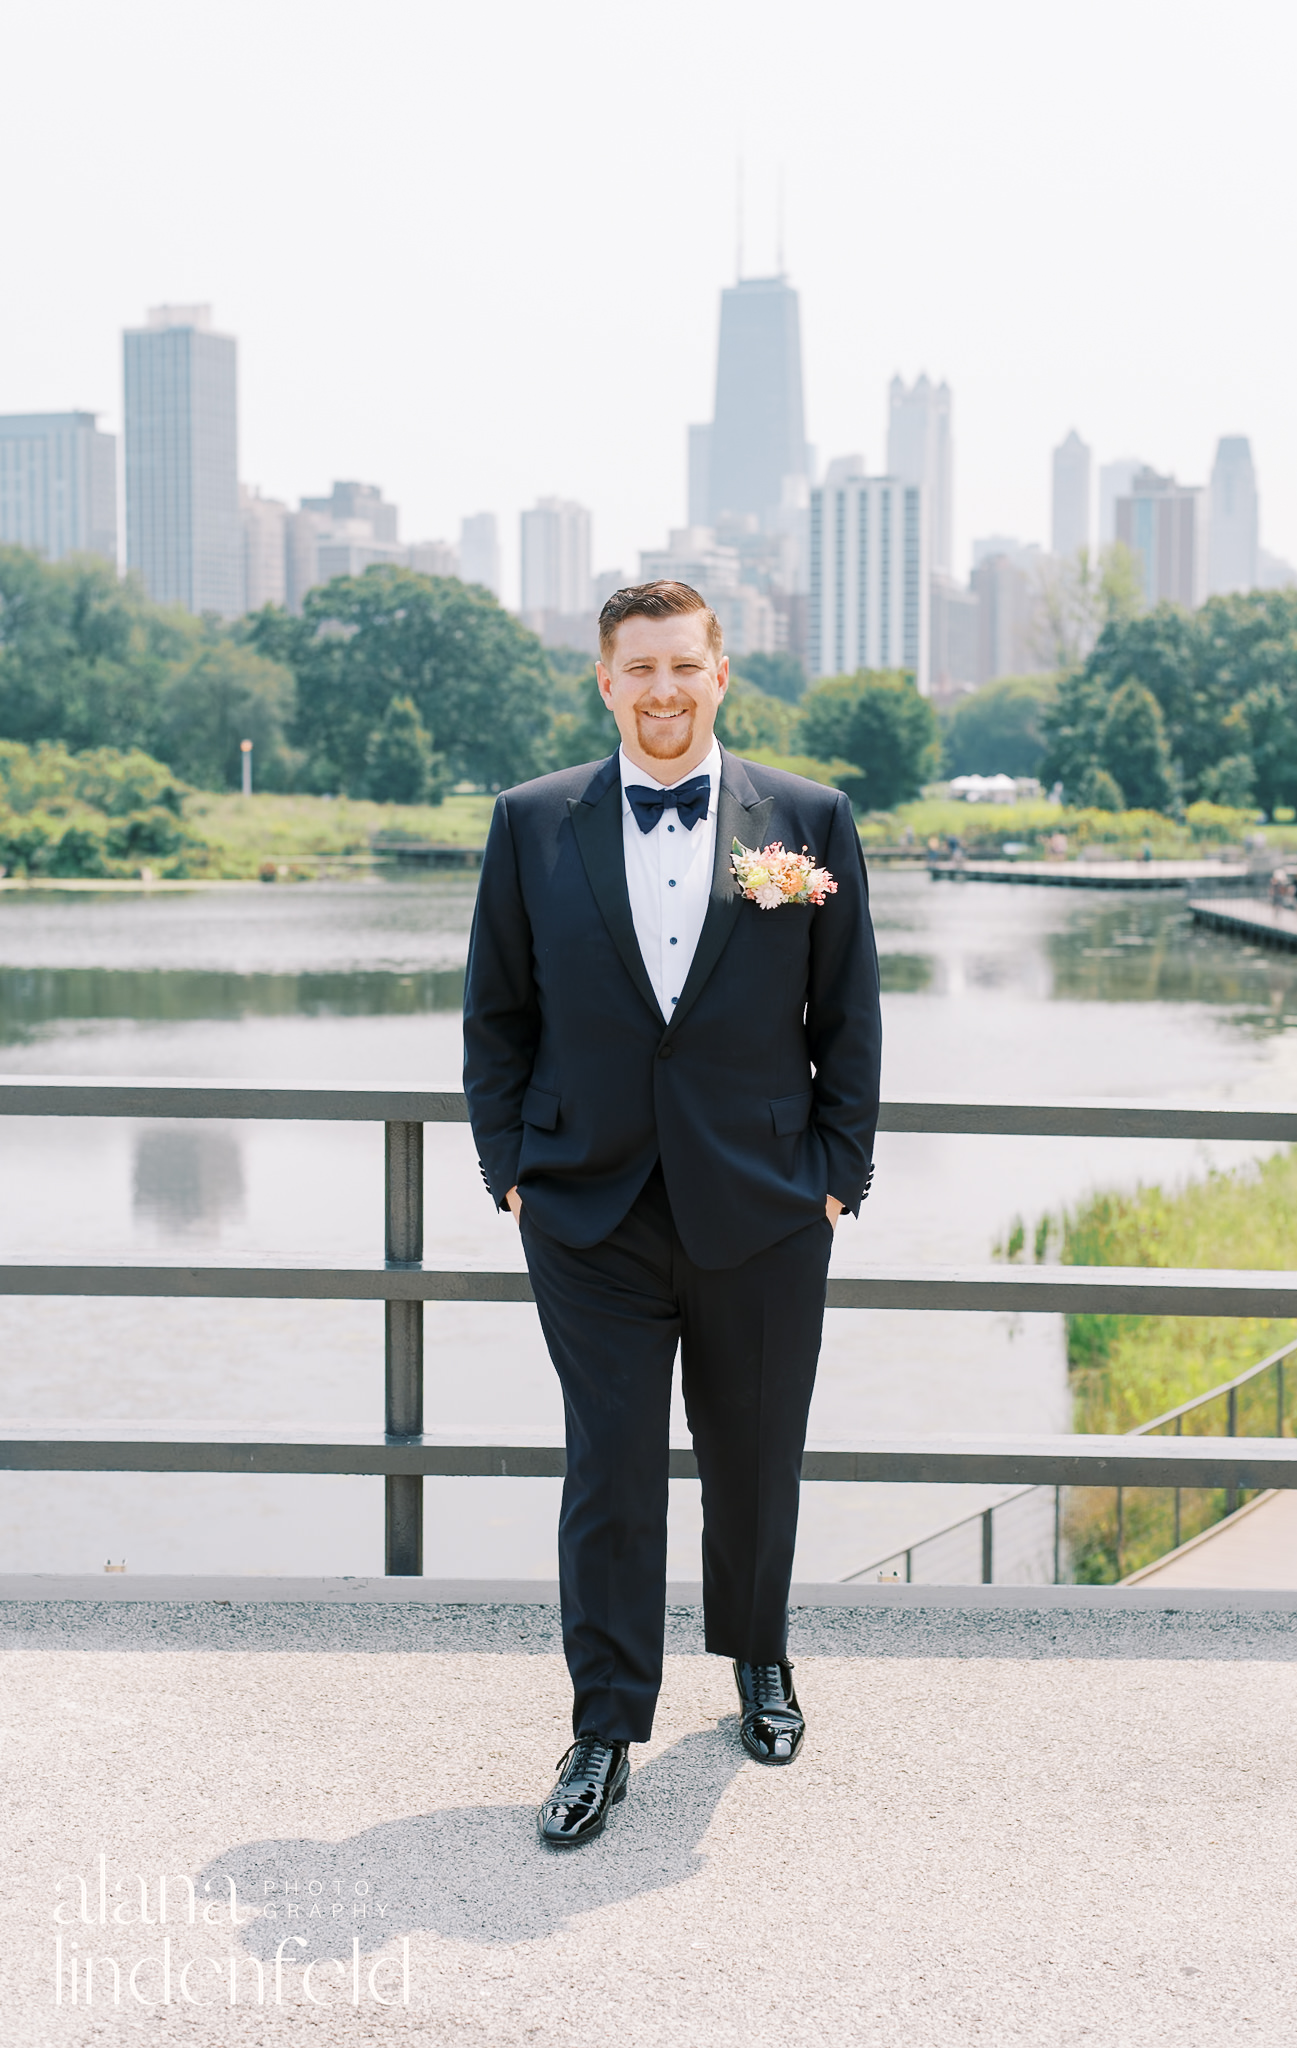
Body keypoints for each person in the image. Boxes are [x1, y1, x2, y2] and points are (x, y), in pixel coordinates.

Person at [463, 579, 881, 1847]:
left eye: (680, 666)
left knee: (756, 1454)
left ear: (718, 673)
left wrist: (834, 1172)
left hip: (761, 1203)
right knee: (609, 1468)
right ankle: (603, 1724)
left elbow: (848, 1015)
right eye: (634, 668)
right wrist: (510, 1169)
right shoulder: (530, 822)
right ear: (604, 682)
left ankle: (758, 1656)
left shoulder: (807, 820)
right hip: (586, 1207)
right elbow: (495, 1014)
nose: (659, 689)